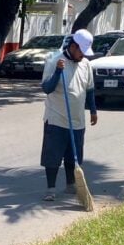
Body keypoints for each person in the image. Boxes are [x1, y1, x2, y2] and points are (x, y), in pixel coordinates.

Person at [39, 29, 98, 202]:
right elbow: (47, 89)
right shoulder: (55, 60)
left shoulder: (86, 64)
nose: (83, 56)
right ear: (73, 47)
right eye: (81, 51)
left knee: (74, 156)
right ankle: (50, 188)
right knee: (53, 156)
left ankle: (71, 184)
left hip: (78, 119)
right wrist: (57, 72)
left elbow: (90, 89)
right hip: (56, 118)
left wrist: (93, 110)